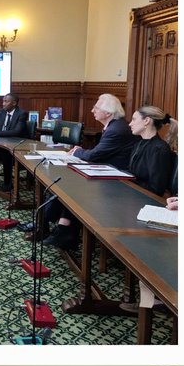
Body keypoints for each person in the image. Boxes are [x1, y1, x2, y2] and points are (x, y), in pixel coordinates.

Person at [36, 93, 137, 250]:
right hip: (108, 171)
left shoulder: (116, 130)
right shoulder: (115, 126)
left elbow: (95, 155)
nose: (92, 110)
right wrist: (83, 151)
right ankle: (59, 227)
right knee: (67, 184)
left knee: (72, 187)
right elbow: (99, 153)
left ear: (108, 113)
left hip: (117, 179)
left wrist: (78, 152)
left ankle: (58, 227)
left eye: (96, 108)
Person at [127, 105, 176, 197]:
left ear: (146, 121)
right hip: (134, 194)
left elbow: (156, 189)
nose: (130, 124)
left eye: (134, 119)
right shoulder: (139, 144)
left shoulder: (159, 149)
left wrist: (129, 182)